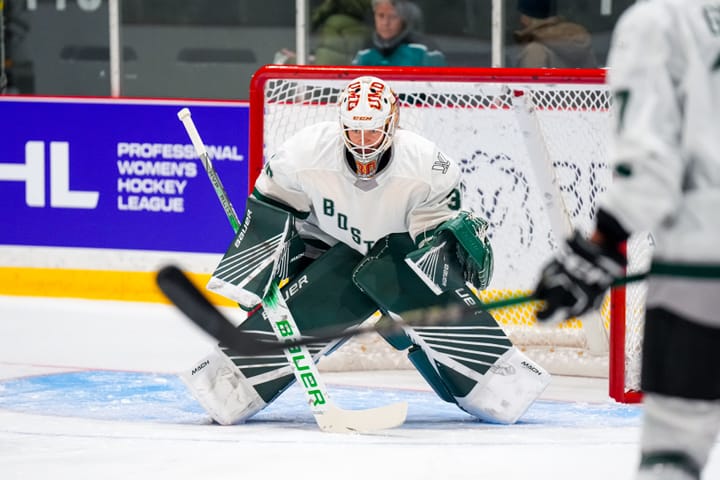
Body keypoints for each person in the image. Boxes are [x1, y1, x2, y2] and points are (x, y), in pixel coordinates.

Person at [182, 75, 550, 427]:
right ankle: (229, 384)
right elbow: (271, 209)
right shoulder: (304, 152)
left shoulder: (428, 166)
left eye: (371, 130)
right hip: (325, 249)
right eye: (354, 130)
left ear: (393, 123)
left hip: (397, 258)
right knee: (323, 293)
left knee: (405, 272)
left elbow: (432, 242)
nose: (362, 141)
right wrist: (261, 269)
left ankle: (493, 385)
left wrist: (439, 263)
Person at [532, 1, 720, 478]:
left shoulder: (660, 21)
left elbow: (650, 164)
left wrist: (603, 245)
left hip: (699, 277)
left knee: (672, 457)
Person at [274, 0, 372, 65]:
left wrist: (288, 61)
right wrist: (305, 58)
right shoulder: (362, 26)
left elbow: (329, 63)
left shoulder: (336, 22)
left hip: (332, 91)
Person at [352, 0, 446, 66]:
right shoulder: (365, 51)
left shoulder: (425, 50)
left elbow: (441, 90)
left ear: (404, 19)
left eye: (393, 16)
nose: (385, 23)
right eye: (381, 16)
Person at [513, 0, 597, 69]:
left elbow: (529, 87)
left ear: (526, 17)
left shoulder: (534, 50)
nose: (520, 19)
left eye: (521, 14)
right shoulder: (579, 42)